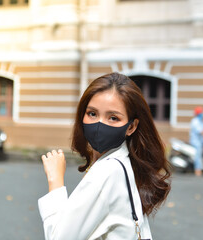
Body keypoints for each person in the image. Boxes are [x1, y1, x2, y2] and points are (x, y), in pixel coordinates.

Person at [38, 72, 172, 240]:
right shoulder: (123, 161)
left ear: (132, 127)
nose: (100, 124)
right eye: (92, 114)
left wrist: (55, 179)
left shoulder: (107, 172)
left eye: (113, 118)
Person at [189, 106, 203, 176]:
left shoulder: (202, 121)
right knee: (199, 151)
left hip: (202, 140)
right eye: (200, 113)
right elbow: (201, 131)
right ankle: (197, 169)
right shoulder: (195, 121)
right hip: (195, 141)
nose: (202, 114)